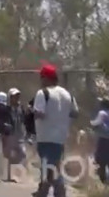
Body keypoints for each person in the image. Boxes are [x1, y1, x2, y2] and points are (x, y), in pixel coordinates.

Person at [32, 63, 78, 197]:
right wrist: (62, 119)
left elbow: (40, 113)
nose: (41, 80)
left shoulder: (43, 93)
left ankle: (59, 191)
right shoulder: (67, 94)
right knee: (52, 164)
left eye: (42, 77)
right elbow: (75, 112)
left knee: (50, 166)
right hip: (60, 137)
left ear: (46, 78)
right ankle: (43, 190)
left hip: (45, 136)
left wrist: (31, 112)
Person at [91, 97, 109, 186]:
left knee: (100, 163)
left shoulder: (102, 113)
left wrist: (91, 122)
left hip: (103, 141)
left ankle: (103, 183)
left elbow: (95, 123)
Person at [3, 88, 28, 170]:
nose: (16, 98)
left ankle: (14, 166)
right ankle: (7, 173)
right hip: (9, 136)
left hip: (19, 135)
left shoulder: (21, 108)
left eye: (17, 96)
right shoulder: (6, 109)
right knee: (8, 155)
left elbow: (24, 120)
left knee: (23, 154)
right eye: (14, 96)